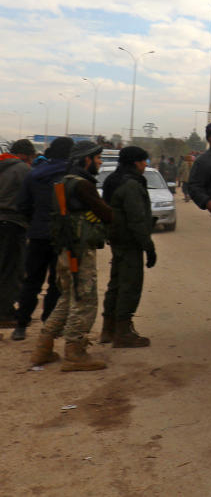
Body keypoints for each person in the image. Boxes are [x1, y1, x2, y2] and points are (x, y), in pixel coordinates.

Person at [32, 140, 112, 370]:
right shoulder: (82, 185)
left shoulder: (63, 181)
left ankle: (43, 348)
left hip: (65, 250)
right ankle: (75, 352)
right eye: (97, 158)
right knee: (84, 299)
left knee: (67, 298)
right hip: (79, 250)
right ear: (86, 159)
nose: (99, 162)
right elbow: (106, 214)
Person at [12, 137, 74, 341]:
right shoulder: (71, 176)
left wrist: (35, 221)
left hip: (38, 235)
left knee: (32, 281)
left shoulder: (34, 174)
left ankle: (21, 326)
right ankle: (50, 324)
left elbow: (22, 205)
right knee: (57, 283)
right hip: (63, 237)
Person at [100, 146, 156, 348]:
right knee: (130, 284)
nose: (145, 165)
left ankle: (108, 329)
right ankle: (123, 332)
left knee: (116, 283)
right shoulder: (131, 185)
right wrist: (148, 246)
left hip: (117, 239)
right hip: (130, 241)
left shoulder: (113, 180)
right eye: (144, 161)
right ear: (136, 162)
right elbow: (136, 220)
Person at [0, 139, 36, 326]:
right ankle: (5, 314)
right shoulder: (23, 170)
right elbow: (31, 199)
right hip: (13, 224)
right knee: (12, 269)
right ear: (26, 155)